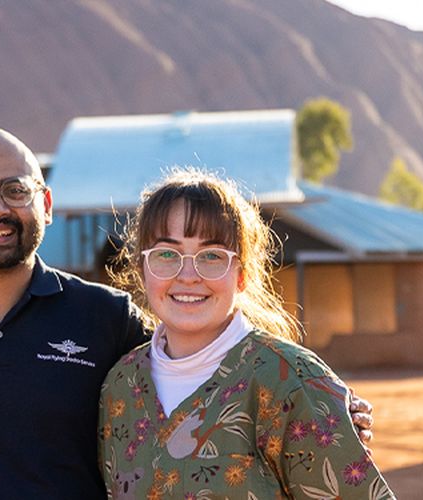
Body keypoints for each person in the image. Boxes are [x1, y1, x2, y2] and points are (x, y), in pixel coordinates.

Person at [0, 129, 372, 499]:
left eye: (15, 190)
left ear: (46, 205)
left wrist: (314, 406)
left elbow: (200, 361)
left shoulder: (106, 317)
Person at [98, 169, 392, 499]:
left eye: (212, 256)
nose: (188, 275)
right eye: (167, 254)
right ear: (142, 269)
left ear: (242, 275)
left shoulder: (290, 382)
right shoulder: (119, 388)